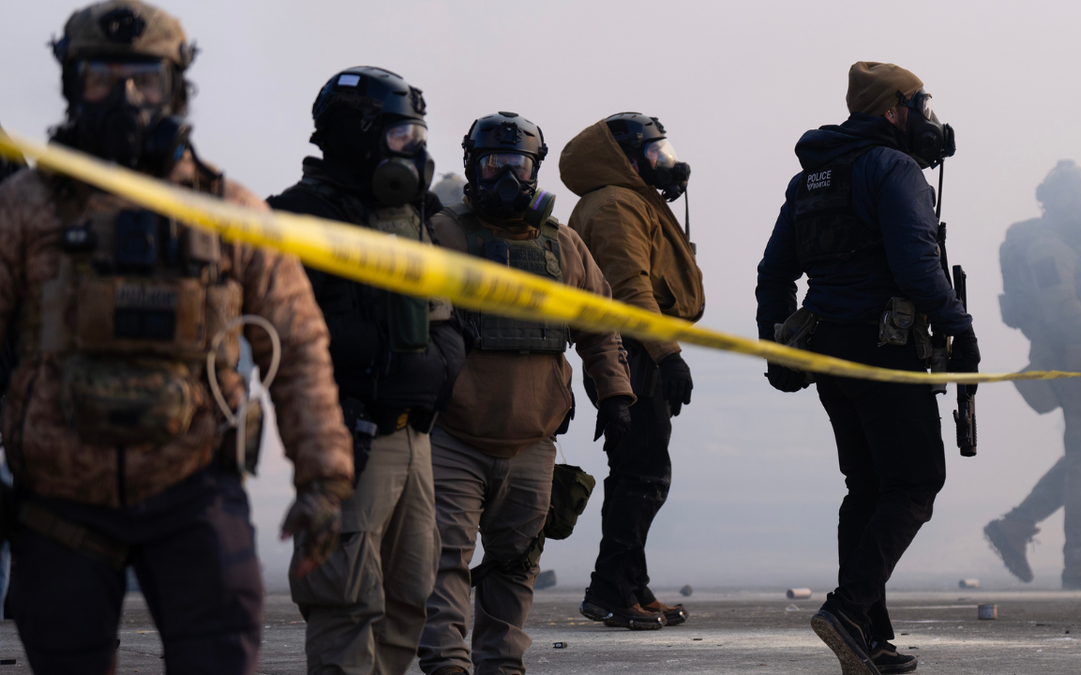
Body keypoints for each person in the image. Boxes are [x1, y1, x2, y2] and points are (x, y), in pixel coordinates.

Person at [0, 2, 354, 672]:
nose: (126, 98)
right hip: (59, 500)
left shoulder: (229, 213)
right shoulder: (23, 208)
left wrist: (324, 480)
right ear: (73, 85)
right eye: (102, 79)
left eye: (145, 79)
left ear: (175, 87)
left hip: (194, 492)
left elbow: (299, 350)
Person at [756, 61, 975, 675]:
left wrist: (776, 346)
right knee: (916, 481)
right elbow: (916, 264)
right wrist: (960, 329)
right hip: (885, 350)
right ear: (892, 110)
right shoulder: (893, 168)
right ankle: (849, 612)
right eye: (920, 105)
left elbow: (774, 273)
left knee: (868, 487)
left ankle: (868, 638)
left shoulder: (809, 180)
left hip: (828, 351)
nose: (928, 119)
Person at [418, 112, 634, 675]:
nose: (507, 177)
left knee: (516, 562)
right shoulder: (442, 234)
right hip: (454, 434)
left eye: (518, 164)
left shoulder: (563, 245)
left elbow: (599, 327)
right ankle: (446, 663)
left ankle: (502, 664)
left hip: (533, 439)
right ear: (473, 167)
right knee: (443, 557)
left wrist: (615, 393)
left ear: (535, 170)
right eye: (494, 164)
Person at [267, 67, 467, 675]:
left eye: (417, 137)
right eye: (401, 136)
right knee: (346, 599)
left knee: (409, 597)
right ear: (355, 135)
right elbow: (297, 333)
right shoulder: (298, 217)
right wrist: (389, 365)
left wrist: (435, 370)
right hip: (351, 438)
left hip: (415, 439)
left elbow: (447, 318)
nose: (414, 151)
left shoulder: (412, 217)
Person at [560, 113, 704, 630]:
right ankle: (610, 590)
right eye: (654, 154)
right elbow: (630, 289)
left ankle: (632, 585)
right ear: (627, 160)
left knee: (635, 474)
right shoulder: (616, 204)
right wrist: (668, 355)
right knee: (643, 475)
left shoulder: (631, 199)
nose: (666, 163)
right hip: (632, 355)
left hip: (636, 352)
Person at [986, 160, 1081, 590]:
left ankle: (1018, 525)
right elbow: (1063, 310)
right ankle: (1080, 558)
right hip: (1077, 364)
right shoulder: (1049, 247)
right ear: (1066, 201)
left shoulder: (1065, 245)